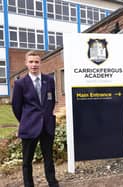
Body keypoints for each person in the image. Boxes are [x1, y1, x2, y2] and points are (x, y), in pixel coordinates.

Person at [12, 51, 59, 187]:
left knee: (48, 158)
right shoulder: (20, 84)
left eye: (36, 62)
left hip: (46, 126)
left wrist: (47, 116)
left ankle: (52, 183)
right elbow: (16, 107)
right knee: (27, 161)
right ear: (26, 63)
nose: (34, 65)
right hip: (29, 126)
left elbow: (51, 100)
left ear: (40, 63)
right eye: (31, 62)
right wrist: (26, 120)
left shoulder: (49, 80)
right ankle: (28, 184)